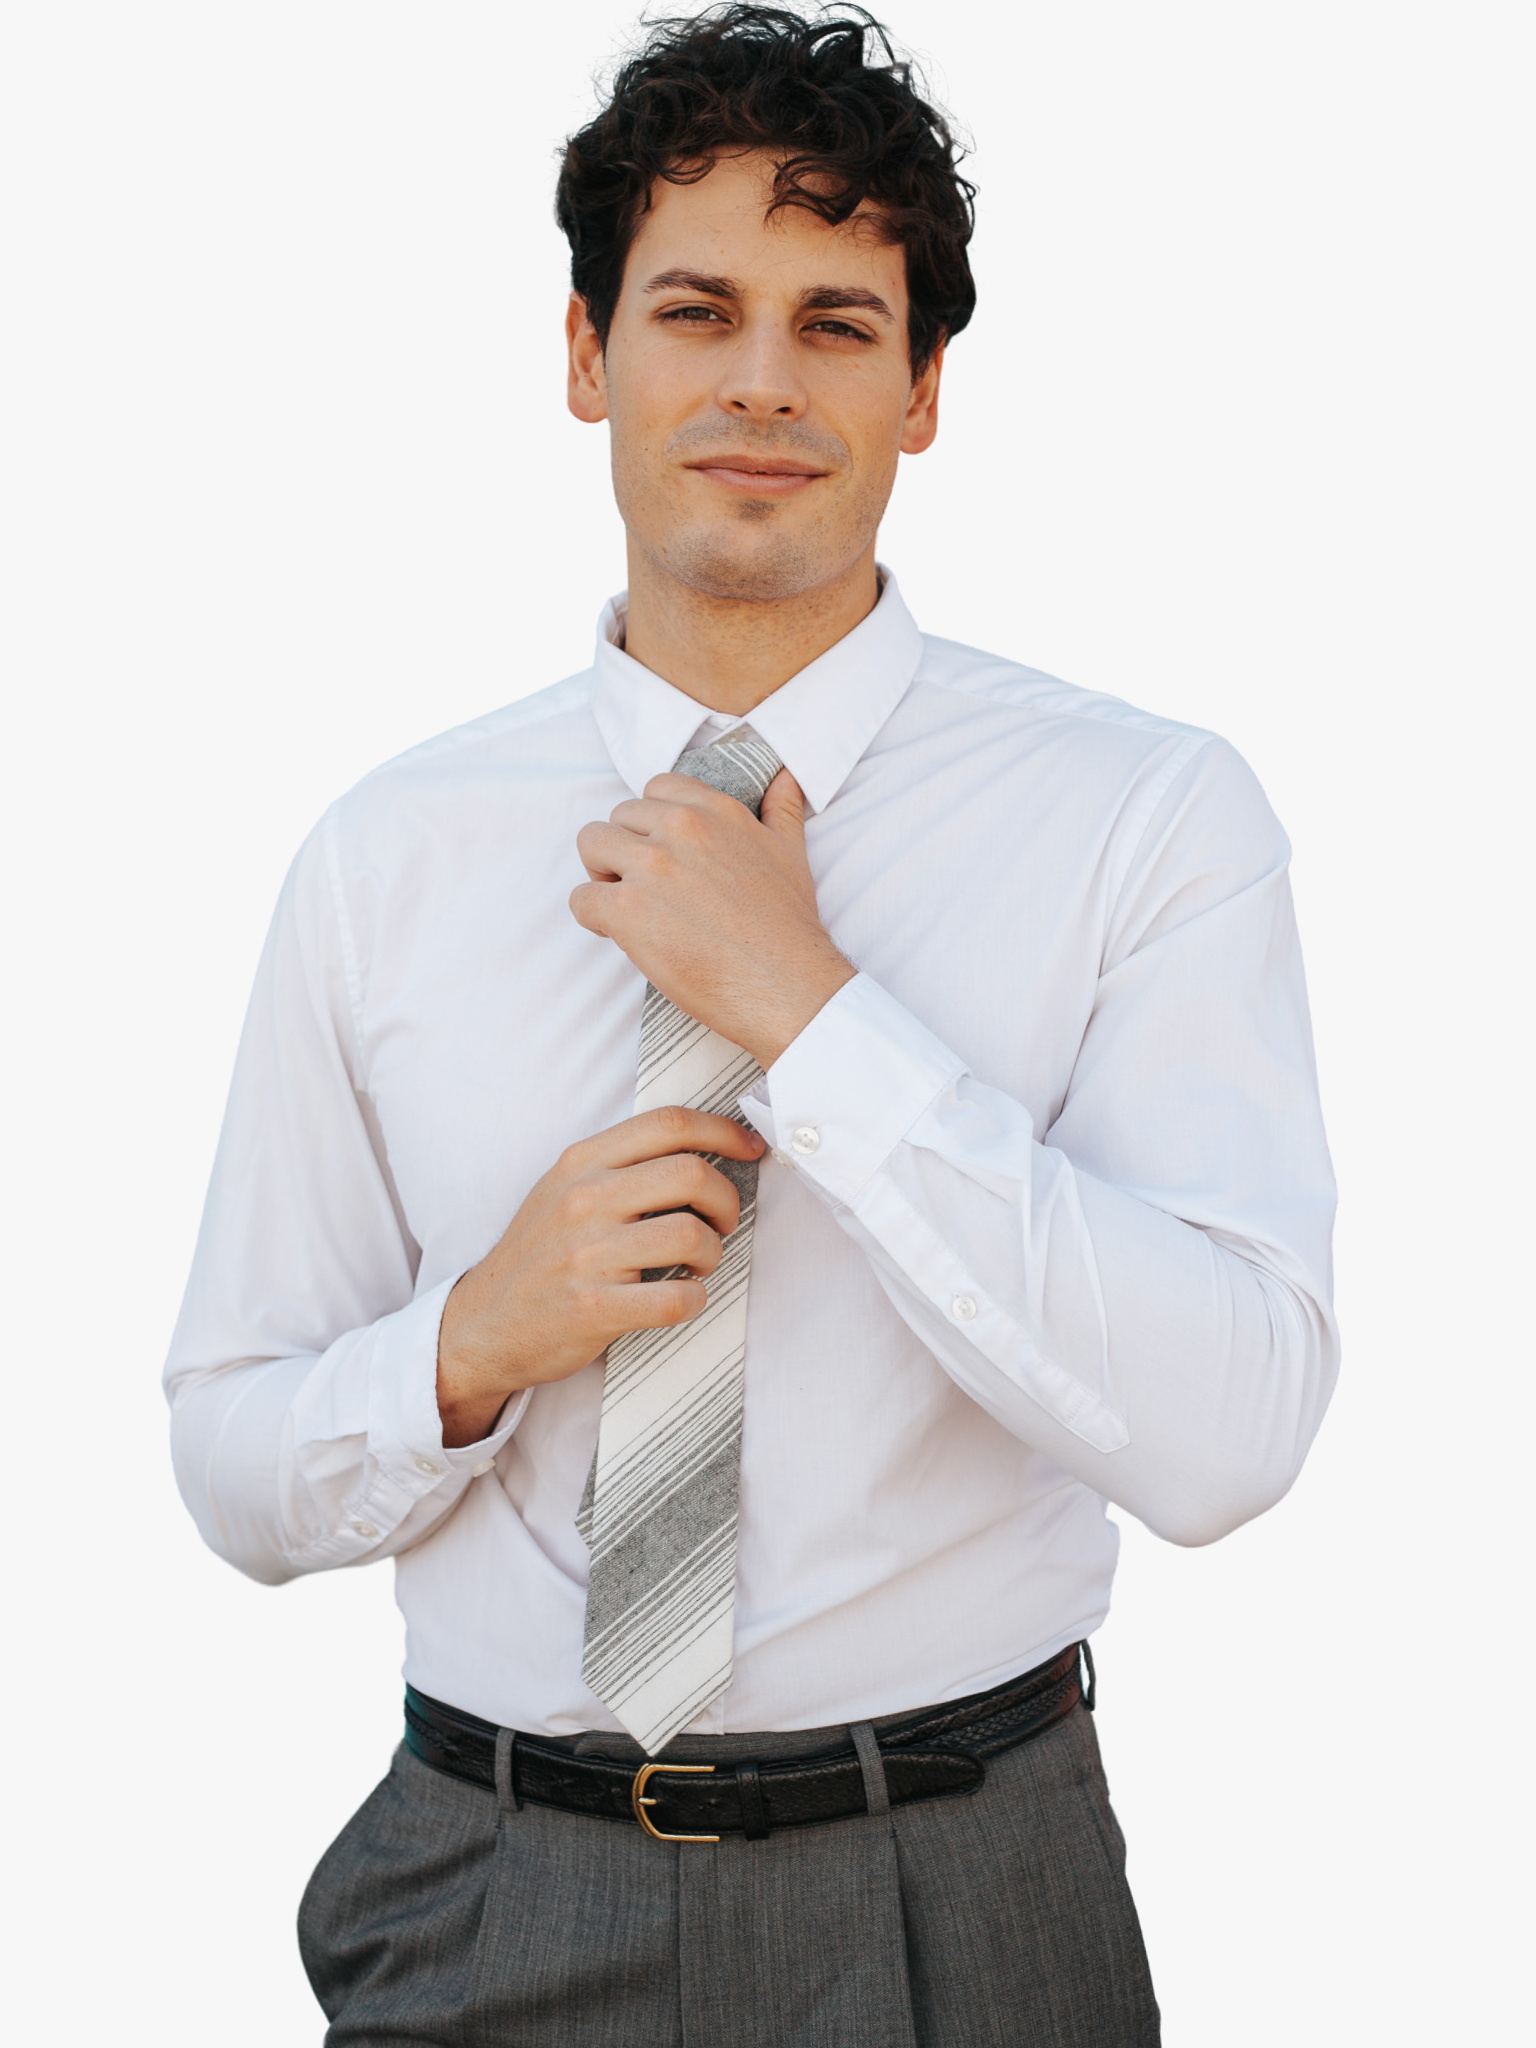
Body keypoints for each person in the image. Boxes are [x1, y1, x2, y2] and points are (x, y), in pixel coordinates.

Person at [165, 7, 1338, 2043]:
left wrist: (807, 1009)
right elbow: (229, 1446)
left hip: (968, 1891)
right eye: (698, 309)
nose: (763, 382)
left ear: (926, 390)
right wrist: (469, 1342)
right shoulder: (386, 856)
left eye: (837, 322)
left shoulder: (1150, 819)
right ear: (585, 357)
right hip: (485, 1888)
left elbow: (1235, 1431)